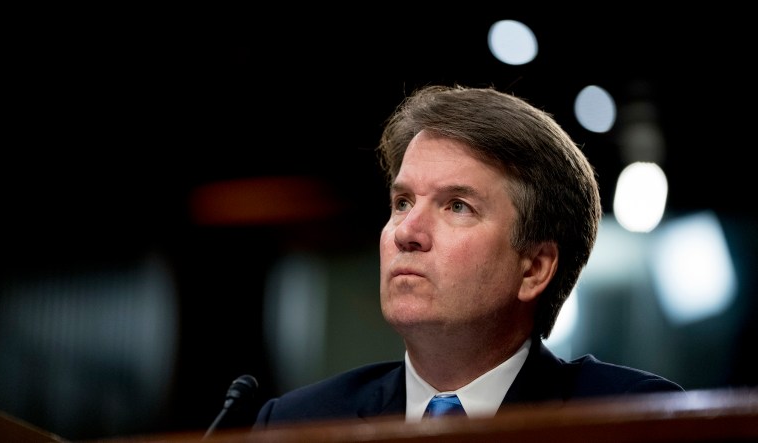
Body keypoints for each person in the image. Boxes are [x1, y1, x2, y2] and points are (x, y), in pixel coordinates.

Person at [253, 84, 684, 426]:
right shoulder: (297, 424)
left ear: (534, 268)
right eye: (402, 202)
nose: (406, 232)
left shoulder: (635, 418)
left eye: (457, 206)